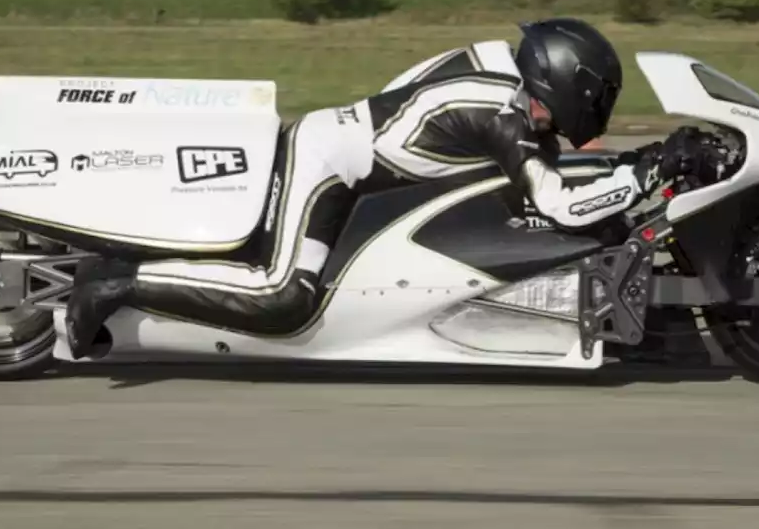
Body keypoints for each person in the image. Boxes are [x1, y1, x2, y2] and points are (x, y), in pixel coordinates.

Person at [64, 18, 717, 359]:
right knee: (285, 297)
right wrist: (649, 168)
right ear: (568, 83)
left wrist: (640, 166)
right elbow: (552, 202)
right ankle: (116, 281)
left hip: (352, 159)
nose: (598, 105)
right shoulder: (504, 116)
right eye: (596, 93)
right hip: (329, 163)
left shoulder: (501, 78)